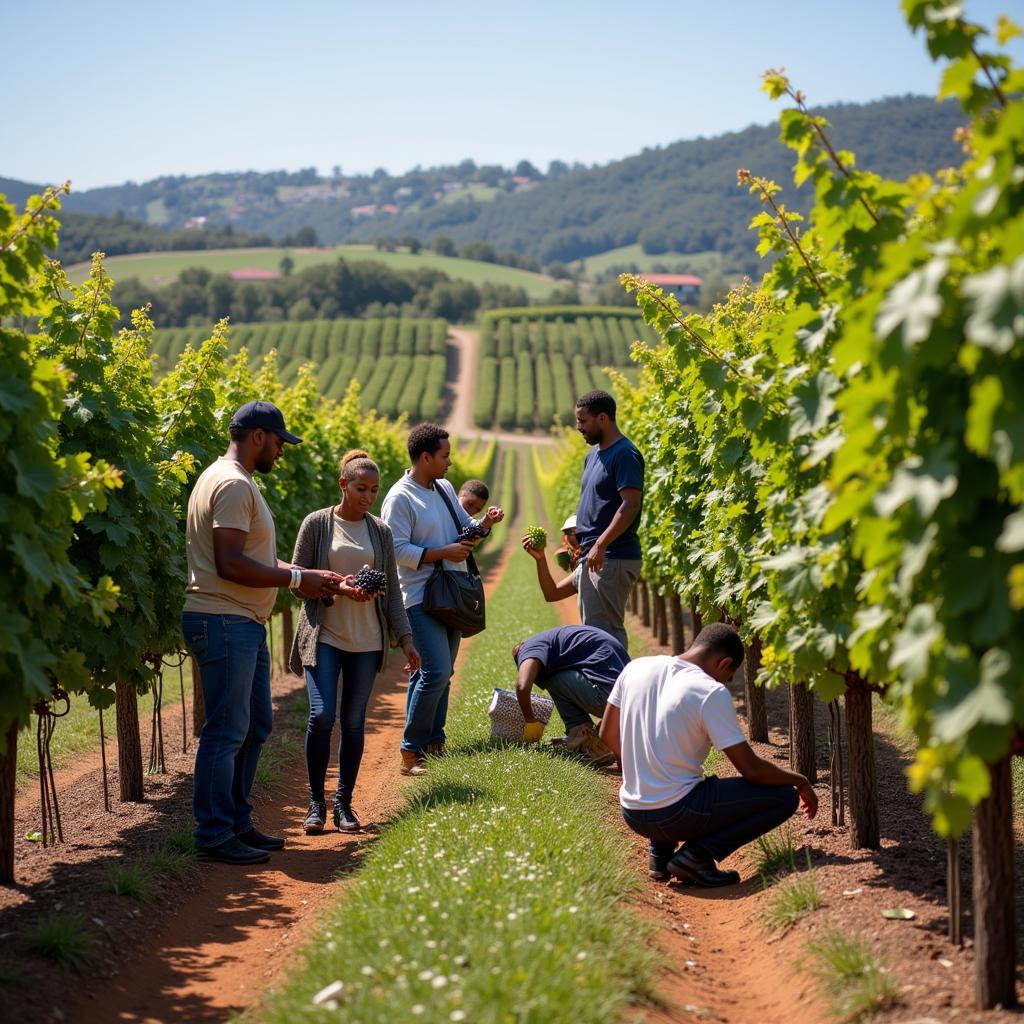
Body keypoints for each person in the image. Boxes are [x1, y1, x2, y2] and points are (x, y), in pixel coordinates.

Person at [181, 401, 347, 866]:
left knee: (255, 724)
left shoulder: (231, 479)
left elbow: (251, 556)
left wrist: (309, 574)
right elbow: (230, 563)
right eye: (278, 442)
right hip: (223, 618)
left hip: (239, 622)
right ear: (258, 436)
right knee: (227, 729)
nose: (281, 451)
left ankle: (235, 820)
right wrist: (298, 581)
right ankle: (212, 833)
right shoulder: (233, 484)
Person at [599, 623, 818, 887]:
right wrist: (799, 780)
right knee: (783, 797)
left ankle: (660, 857)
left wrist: (645, 765)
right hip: (675, 814)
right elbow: (752, 770)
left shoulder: (636, 668)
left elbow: (608, 734)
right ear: (724, 663)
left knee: (672, 780)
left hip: (633, 812)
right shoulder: (709, 691)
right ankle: (696, 856)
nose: (723, 683)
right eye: (727, 677)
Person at [289, 450, 422, 835]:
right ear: (342, 484)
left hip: (366, 640)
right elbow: (298, 582)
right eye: (361, 488)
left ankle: (343, 805)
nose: (368, 496)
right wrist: (338, 589)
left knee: (352, 721)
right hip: (324, 635)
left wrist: (407, 639)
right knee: (321, 715)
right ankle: (315, 803)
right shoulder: (316, 524)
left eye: (374, 490)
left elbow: (393, 591)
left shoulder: (379, 530)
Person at [382, 424, 504, 775]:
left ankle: (434, 741)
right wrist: (442, 553)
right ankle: (411, 750)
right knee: (434, 672)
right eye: (445, 455)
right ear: (425, 457)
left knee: (440, 673)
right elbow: (396, 549)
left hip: (450, 593)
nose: (450, 462)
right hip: (419, 595)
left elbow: (465, 529)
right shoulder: (400, 498)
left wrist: (485, 523)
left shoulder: (444, 487)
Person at [574, 390, 644, 651]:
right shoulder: (592, 455)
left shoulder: (625, 454)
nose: (578, 427)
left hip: (611, 556)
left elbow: (630, 504)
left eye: (583, 421)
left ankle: (612, 691)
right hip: (595, 556)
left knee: (604, 637)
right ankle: (603, 691)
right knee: (593, 633)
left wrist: (600, 544)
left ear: (602, 418)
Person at [513, 625, 628, 766]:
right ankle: (593, 738)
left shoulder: (529, 649)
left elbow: (522, 686)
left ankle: (588, 745)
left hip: (611, 699)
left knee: (553, 678)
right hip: (630, 702)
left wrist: (530, 720)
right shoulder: (556, 641)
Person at [521, 513, 582, 604]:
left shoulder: (588, 568)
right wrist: (541, 559)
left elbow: (552, 594)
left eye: (571, 533)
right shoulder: (582, 570)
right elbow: (552, 594)